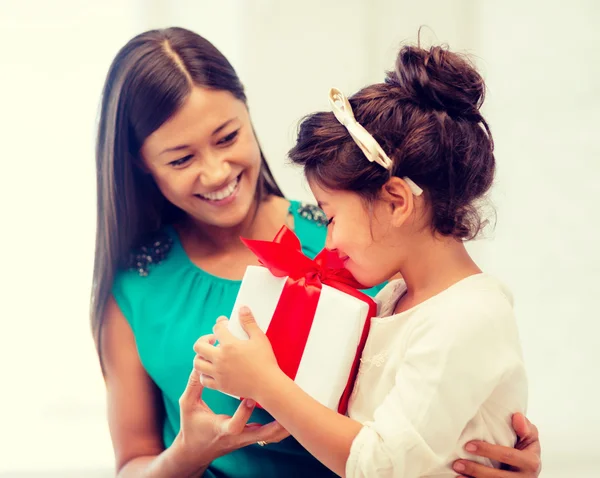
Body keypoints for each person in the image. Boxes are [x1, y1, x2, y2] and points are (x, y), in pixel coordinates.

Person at [91, 26, 541, 477]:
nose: (214, 172)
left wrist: (496, 442)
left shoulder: (366, 245)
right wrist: (189, 452)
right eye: (181, 159)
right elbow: (132, 462)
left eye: (227, 137)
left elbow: (429, 413)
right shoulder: (136, 286)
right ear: (141, 165)